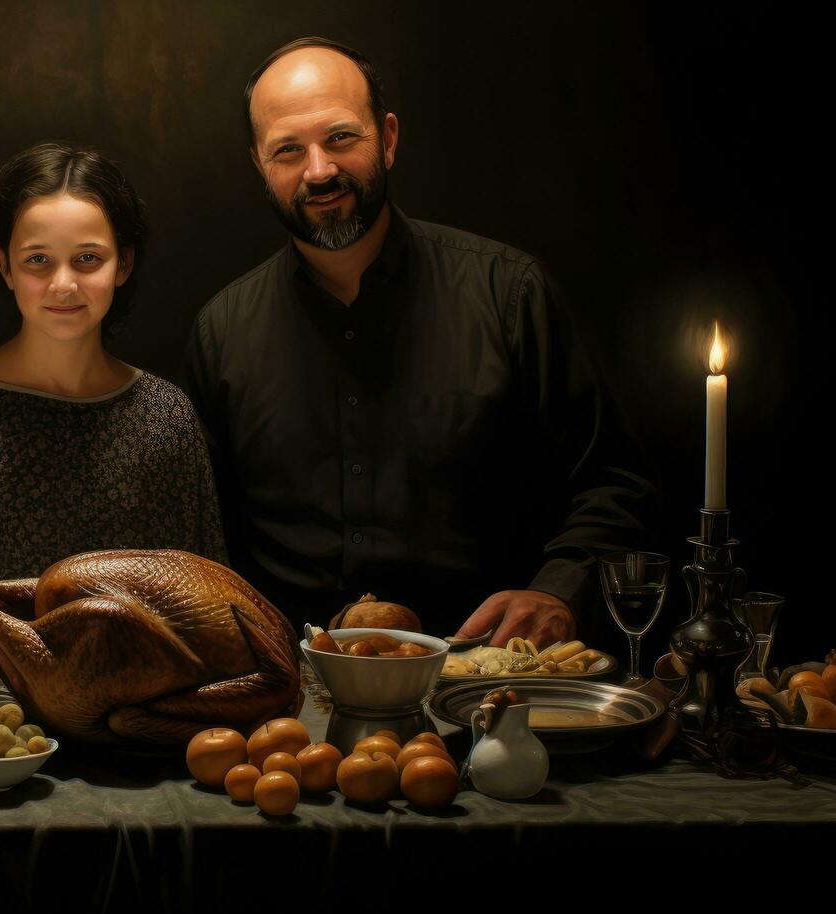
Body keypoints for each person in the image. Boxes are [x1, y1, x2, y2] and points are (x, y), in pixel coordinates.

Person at [183, 37, 656, 645]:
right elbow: (201, 540)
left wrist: (558, 589)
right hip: (291, 705)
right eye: (289, 150)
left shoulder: (511, 294)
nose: (319, 170)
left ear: (389, 138)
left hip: (485, 682)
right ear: (259, 165)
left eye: (341, 138)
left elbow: (614, 480)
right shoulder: (219, 333)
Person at [0, 142, 227, 648]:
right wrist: (55, 628)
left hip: (144, 702)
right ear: (5, 266)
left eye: (88, 258)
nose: (63, 284)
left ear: (124, 264)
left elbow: (209, 596)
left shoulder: (166, 414)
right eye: (38, 260)